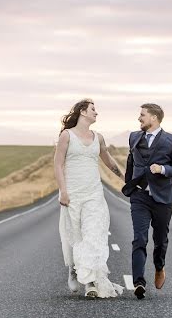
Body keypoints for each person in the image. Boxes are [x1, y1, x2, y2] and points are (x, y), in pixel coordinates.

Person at [55, 98, 125, 299]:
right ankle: (74, 269)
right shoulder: (66, 136)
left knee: (93, 236)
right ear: (82, 112)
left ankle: (91, 283)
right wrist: (64, 191)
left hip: (94, 193)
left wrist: (124, 178)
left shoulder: (98, 138)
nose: (97, 113)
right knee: (76, 236)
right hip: (73, 194)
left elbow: (108, 160)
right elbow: (58, 165)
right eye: (93, 109)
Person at [121, 103, 172, 299]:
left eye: (142, 115)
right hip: (139, 197)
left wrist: (163, 169)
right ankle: (139, 282)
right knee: (139, 238)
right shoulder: (134, 137)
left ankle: (159, 267)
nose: (139, 118)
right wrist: (130, 184)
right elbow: (131, 162)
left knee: (160, 240)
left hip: (163, 198)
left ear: (154, 118)